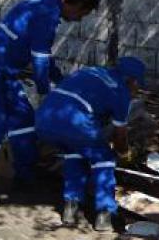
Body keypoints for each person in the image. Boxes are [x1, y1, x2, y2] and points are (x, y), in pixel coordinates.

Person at [0, 0, 100, 203]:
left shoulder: (43, 5)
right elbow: (40, 60)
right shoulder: (46, 15)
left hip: (5, 73)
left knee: (24, 122)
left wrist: (62, 82)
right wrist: (45, 93)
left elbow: (42, 54)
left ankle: (25, 176)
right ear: (75, 4)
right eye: (82, 13)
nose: (80, 19)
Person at [34, 57, 146, 231]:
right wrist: (125, 154)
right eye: (138, 85)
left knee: (74, 153)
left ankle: (70, 208)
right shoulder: (120, 91)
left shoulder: (90, 71)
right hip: (75, 122)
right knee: (104, 159)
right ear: (132, 80)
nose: (137, 90)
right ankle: (104, 214)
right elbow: (120, 135)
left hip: (44, 119)